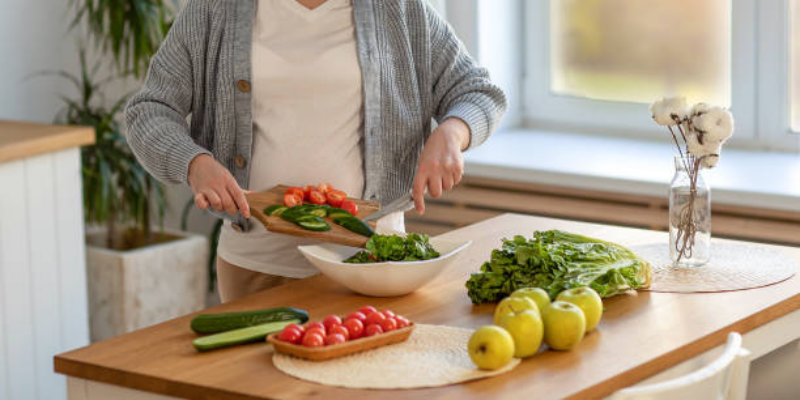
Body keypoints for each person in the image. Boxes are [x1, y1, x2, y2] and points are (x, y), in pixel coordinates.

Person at [125, 0, 507, 303]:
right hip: (256, 266)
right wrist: (195, 164)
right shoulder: (215, 9)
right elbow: (150, 111)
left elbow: (477, 91)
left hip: (374, 265)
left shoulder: (399, 7)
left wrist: (452, 132)